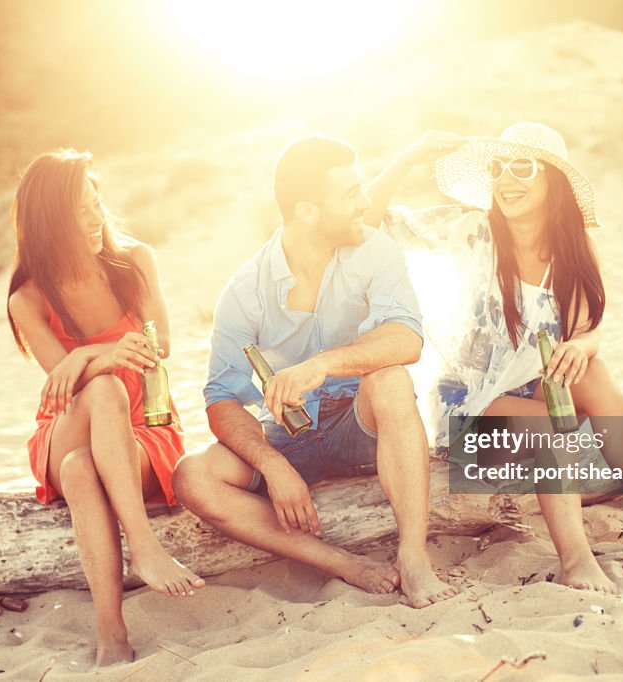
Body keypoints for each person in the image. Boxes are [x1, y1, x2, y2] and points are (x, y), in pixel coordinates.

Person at [365, 123, 623, 594]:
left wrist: (581, 347)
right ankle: (576, 560)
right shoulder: (471, 232)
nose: (505, 180)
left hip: (532, 389)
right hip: (467, 407)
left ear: (553, 181)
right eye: (498, 168)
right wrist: (409, 155)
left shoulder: (574, 250)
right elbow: (367, 224)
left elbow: (588, 332)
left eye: (522, 167)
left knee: (593, 372)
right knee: (541, 421)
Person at [172, 134, 460, 609]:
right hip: (289, 438)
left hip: (360, 426)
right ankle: (343, 564)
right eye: (350, 195)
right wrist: (271, 463)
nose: (365, 204)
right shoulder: (246, 291)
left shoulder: (375, 251)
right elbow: (221, 397)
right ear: (307, 211)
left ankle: (413, 558)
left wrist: (321, 365)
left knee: (390, 377)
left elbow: (406, 340)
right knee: (193, 476)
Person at [6, 149, 204, 665]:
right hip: (68, 425)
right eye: (79, 213)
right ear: (49, 224)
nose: (95, 220)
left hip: (144, 426)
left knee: (79, 469)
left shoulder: (135, 262)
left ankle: (110, 633)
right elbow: (63, 382)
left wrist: (91, 357)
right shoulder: (26, 300)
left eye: (96, 204)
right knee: (102, 391)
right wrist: (102, 355)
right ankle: (144, 546)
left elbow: (160, 349)